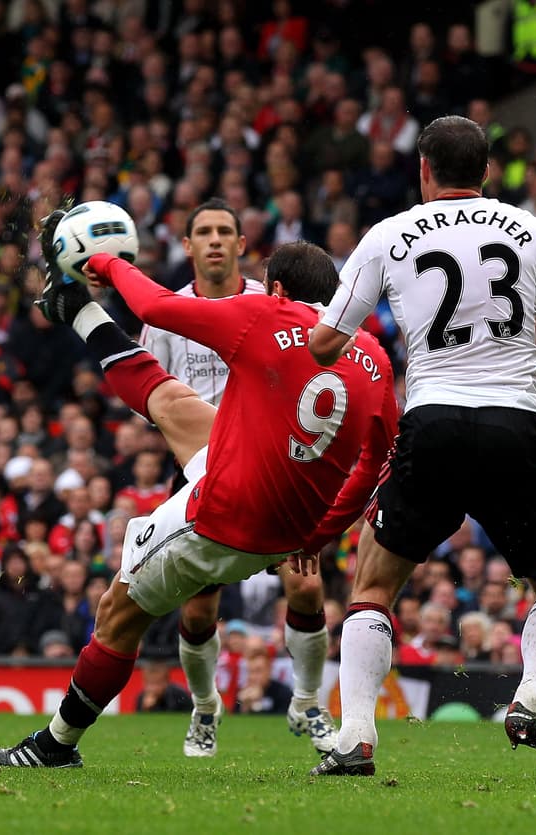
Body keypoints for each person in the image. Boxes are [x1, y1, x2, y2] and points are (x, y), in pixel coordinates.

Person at [0, 222, 398, 769]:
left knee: (117, 613)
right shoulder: (373, 355)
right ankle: (80, 312)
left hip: (225, 516)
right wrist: (320, 533)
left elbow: (153, 306)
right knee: (174, 402)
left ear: (274, 290)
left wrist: (105, 264)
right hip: (291, 521)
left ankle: (56, 743)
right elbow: (376, 464)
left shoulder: (266, 315)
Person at [308, 115, 536, 779]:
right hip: (515, 422)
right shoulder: (532, 230)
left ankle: (356, 733)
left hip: (434, 421)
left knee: (375, 584)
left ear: (423, 168)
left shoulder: (388, 237)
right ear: (487, 172)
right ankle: (532, 699)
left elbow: (325, 343)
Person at [140, 198, 337, 758]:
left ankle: (306, 702)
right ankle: (205, 709)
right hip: (208, 471)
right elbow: (153, 396)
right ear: (187, 246)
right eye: (203, 231)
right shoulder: (167, 314)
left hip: (275, 467)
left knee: (306, 584)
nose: (216, 240)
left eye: (226, 230)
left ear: (242, 244)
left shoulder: (267, 302)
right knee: (199, 607)